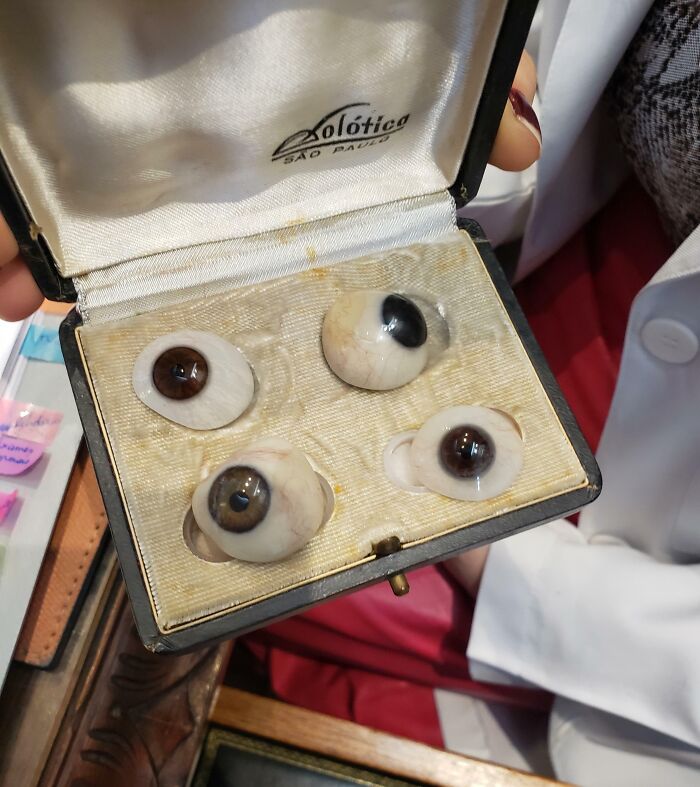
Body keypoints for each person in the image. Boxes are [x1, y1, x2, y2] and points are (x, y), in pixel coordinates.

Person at [2, 1, 698, 783]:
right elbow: (524, 100)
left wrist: (518, 569)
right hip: (525, 285)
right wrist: (375, 145)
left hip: (629, 567)